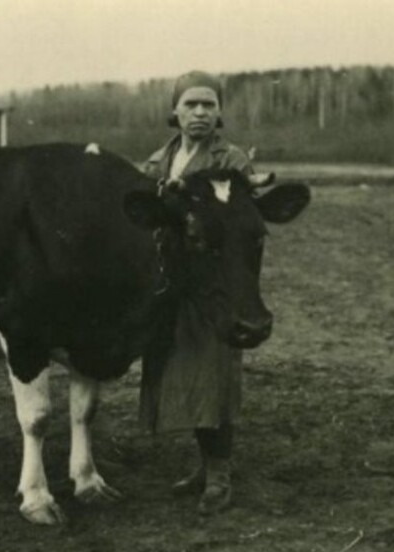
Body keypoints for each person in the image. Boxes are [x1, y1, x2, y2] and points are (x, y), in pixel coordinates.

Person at [140, 70, 255, 515]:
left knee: (215, 378)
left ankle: (220, 473)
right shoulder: (158, 161)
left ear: (220, 111)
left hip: (216, 291)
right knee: (185, 378)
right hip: (173, 288)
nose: (201, 112)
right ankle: (204, 467)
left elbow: (241, 229)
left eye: (209, 104)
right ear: (175, 111)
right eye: (192, 104)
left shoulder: (233, 162)